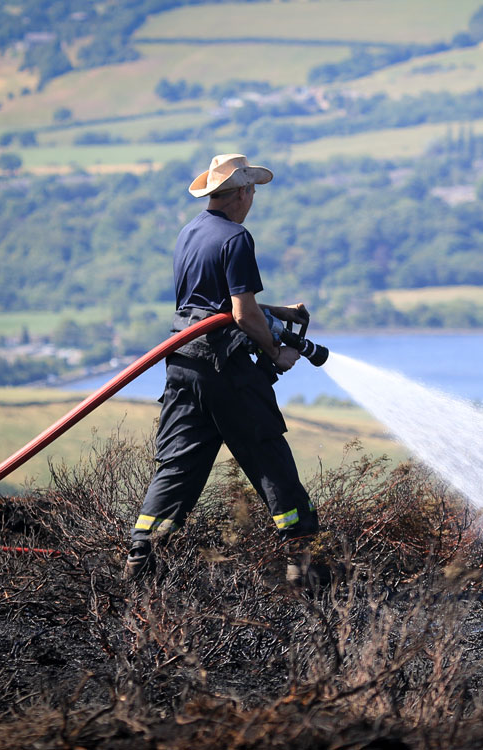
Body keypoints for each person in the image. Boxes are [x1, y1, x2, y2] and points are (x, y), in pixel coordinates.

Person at [125, 154, 320, 584]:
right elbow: (241, 314)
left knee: (177, 466)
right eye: (252, 191)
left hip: (182, 367)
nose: (252, 198)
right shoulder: (236, 238)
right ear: (242, 194)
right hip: (225, 370)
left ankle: (141, 557)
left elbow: (207, 304)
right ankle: (302, 564)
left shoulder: (189, 232)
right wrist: (275, 351)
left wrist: (276, 311)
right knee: (268, 454)